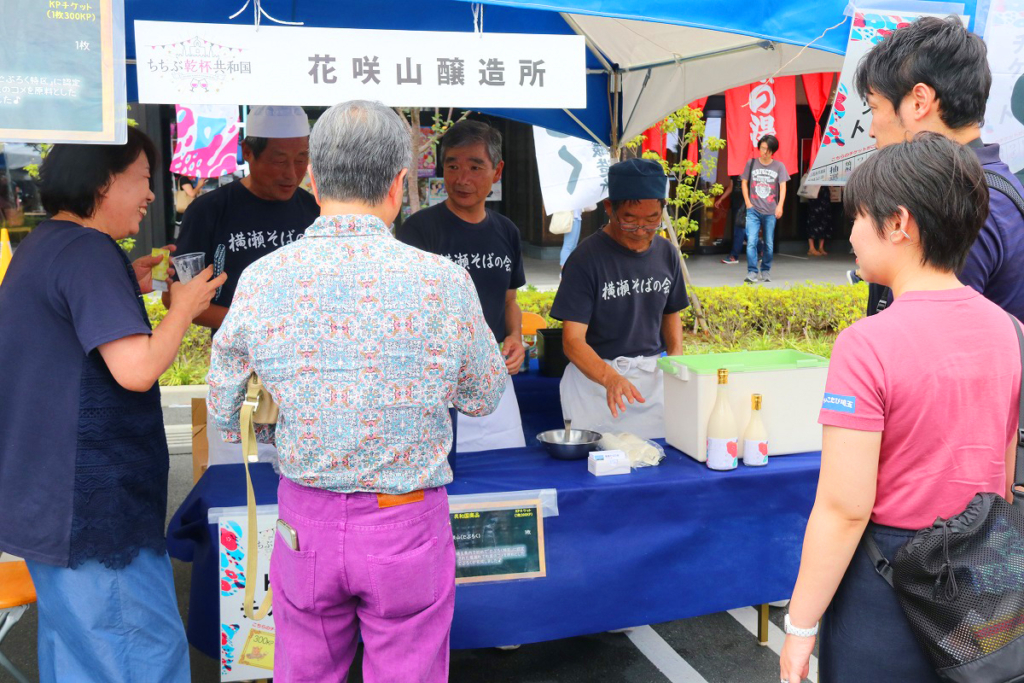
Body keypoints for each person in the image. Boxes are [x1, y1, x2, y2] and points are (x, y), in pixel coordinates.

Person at [207, 100, 507, 683]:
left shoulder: (263, 278)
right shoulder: (443, 281)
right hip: (406, 522)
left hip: (305, 523)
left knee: (306, 670)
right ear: (400, 184)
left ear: (314, 181)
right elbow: (484, 395)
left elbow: (225, 406)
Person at [778, 134, 1022, 683]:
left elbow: (844, 509)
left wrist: (799, 627)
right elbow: (1003, 479)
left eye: (860, 215)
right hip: (981, 576)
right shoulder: (1010, 332)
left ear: (899, 223)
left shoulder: (867, 344)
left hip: (887, 580)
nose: (852, 232)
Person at [0, 128, 226, 683]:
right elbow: (138, 369)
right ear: (103, 182)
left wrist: (126, 282)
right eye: (144, 180)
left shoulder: (45, 243)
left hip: (50, 501)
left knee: (79, 656)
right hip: (94, 512)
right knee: (136, 655)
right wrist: (185, 306)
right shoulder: (87, 252)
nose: (152, 194)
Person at [166, 105, 320, 466]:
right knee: (241, 496)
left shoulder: (316, 212)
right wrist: (268, 325)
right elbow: (187, 304)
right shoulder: (209, 211)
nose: (292, 173)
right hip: (240, 383)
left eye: (301, 159)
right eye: (279, 160)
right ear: (247, 152)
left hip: (310, 385)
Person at [857, 15, 1024, 319]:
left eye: (875, 107)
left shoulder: (960, 204)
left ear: (919, 102)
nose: (871, 129)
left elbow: (928, 345)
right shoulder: (990, 187)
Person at [398, 119, 527, 452]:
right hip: (437, 385)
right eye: (452, 166)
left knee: (504, 478)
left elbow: (509, 300)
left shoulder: (507, 231)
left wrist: (514, 337)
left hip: (495, 379)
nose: (462, 179)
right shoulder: (419, 230)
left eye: (475, 166)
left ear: (497, 172)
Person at [551, 158, 690, 438]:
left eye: (652, 220)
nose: (641, 230)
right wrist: (610, 378)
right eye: (629, 220)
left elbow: (671, 312)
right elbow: (572, 341)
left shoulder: (667, 254)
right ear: (609, 209)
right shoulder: (585, 260)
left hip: (651, 379)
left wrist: (676, 358)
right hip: (595, 381)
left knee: (657, 460)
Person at [741, 134, 789, 283]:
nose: (764, 152)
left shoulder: (779, 166)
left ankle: (766, 270)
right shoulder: (752, 163)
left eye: (768, 150)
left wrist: (780, 205)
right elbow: (744, 182)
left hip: (770, 211)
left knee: (768, 243)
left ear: (773, 151)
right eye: (762, 148)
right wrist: (748, 203)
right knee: (751, 241)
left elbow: (783, 187)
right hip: (753, 209)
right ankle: (752, 271)